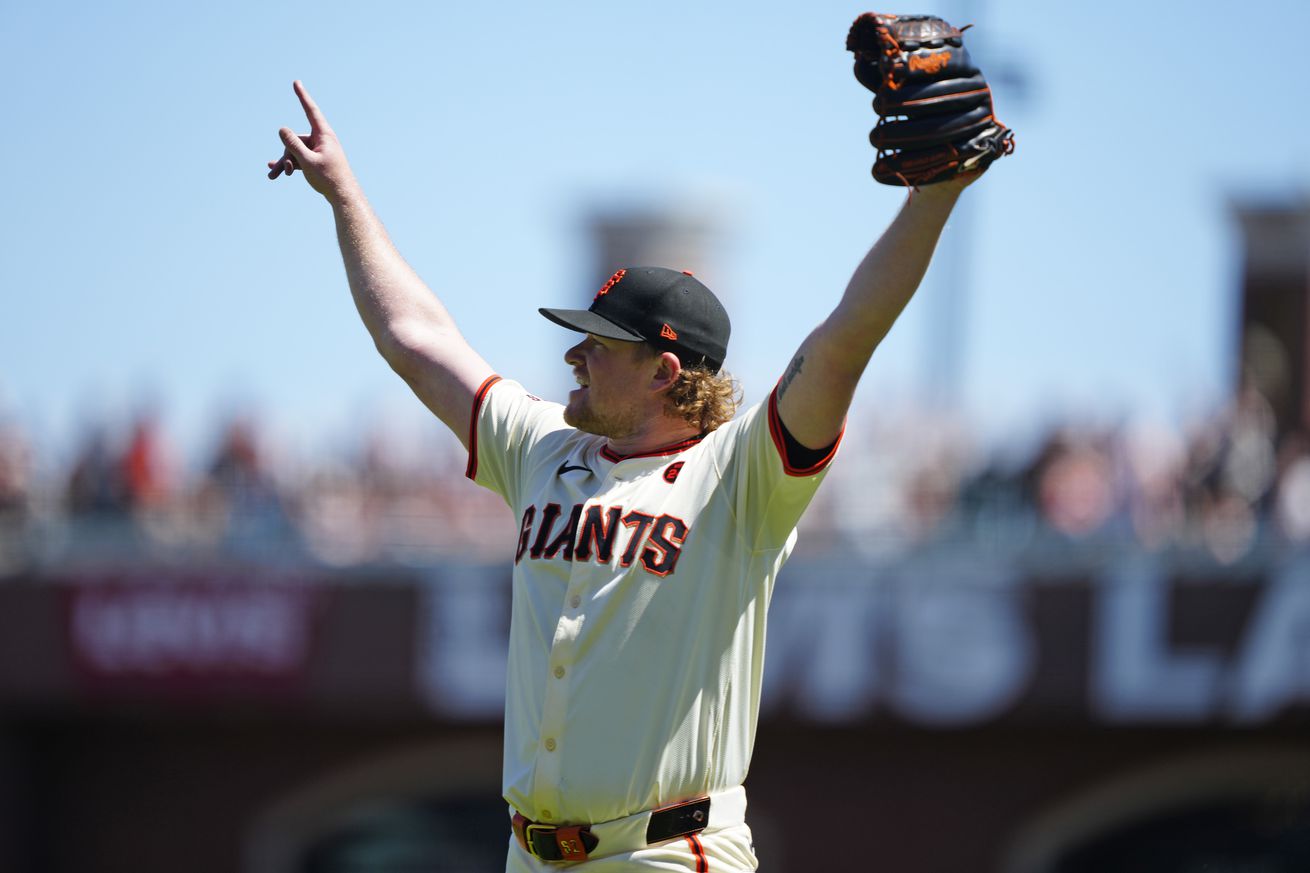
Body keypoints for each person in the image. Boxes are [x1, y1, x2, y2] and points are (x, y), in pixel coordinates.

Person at [269, 78, 979, 872]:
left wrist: (935, 195)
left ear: (663, 370)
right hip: (530, 856)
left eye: (599, 344)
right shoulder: (541, 446)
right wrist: (344, 196)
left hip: (668, 854)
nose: (574, 355)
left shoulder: (741, 476)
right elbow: (414, 336)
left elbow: (845, 339)